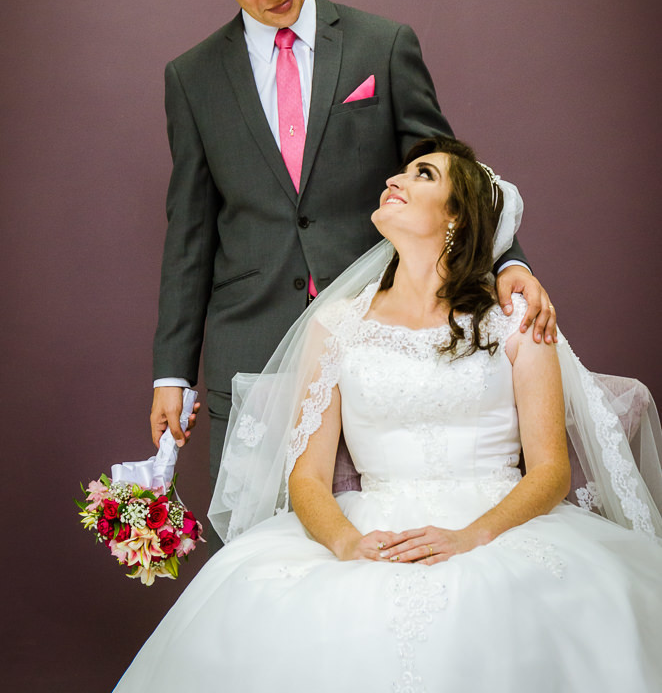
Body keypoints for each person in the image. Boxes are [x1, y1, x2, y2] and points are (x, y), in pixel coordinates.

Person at [115, 136, 662, 692]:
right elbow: (307, 476)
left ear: (457, 218)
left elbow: (550, 471)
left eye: (423, 174)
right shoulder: (336, 325)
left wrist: (470, 538)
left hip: (495, 524)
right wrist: (346, 543)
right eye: (402, 171)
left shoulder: (516, 320)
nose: (393, 180)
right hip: (367, 524)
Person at [149, 0, 555, 531]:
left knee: (376, 549)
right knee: (256, 559)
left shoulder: (382, 45)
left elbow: (453, 178)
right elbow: (190, 231)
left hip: (377, 351)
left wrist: (510, 263)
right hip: (249, 353)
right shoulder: (191, 79)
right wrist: (172, 373)